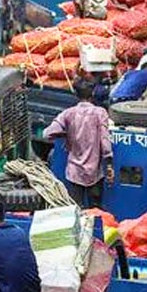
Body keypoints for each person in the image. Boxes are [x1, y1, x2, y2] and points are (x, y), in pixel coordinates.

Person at [43, 78, 113, 208]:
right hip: (95, 173)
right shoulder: (100, 113)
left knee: (76, 209)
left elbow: (47, 134)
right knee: (95, 210)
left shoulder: (68, 114)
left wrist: (65, 135)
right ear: (92, 94)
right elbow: (105, 141)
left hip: (74, 172)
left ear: (76, 95)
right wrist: (109, 165)